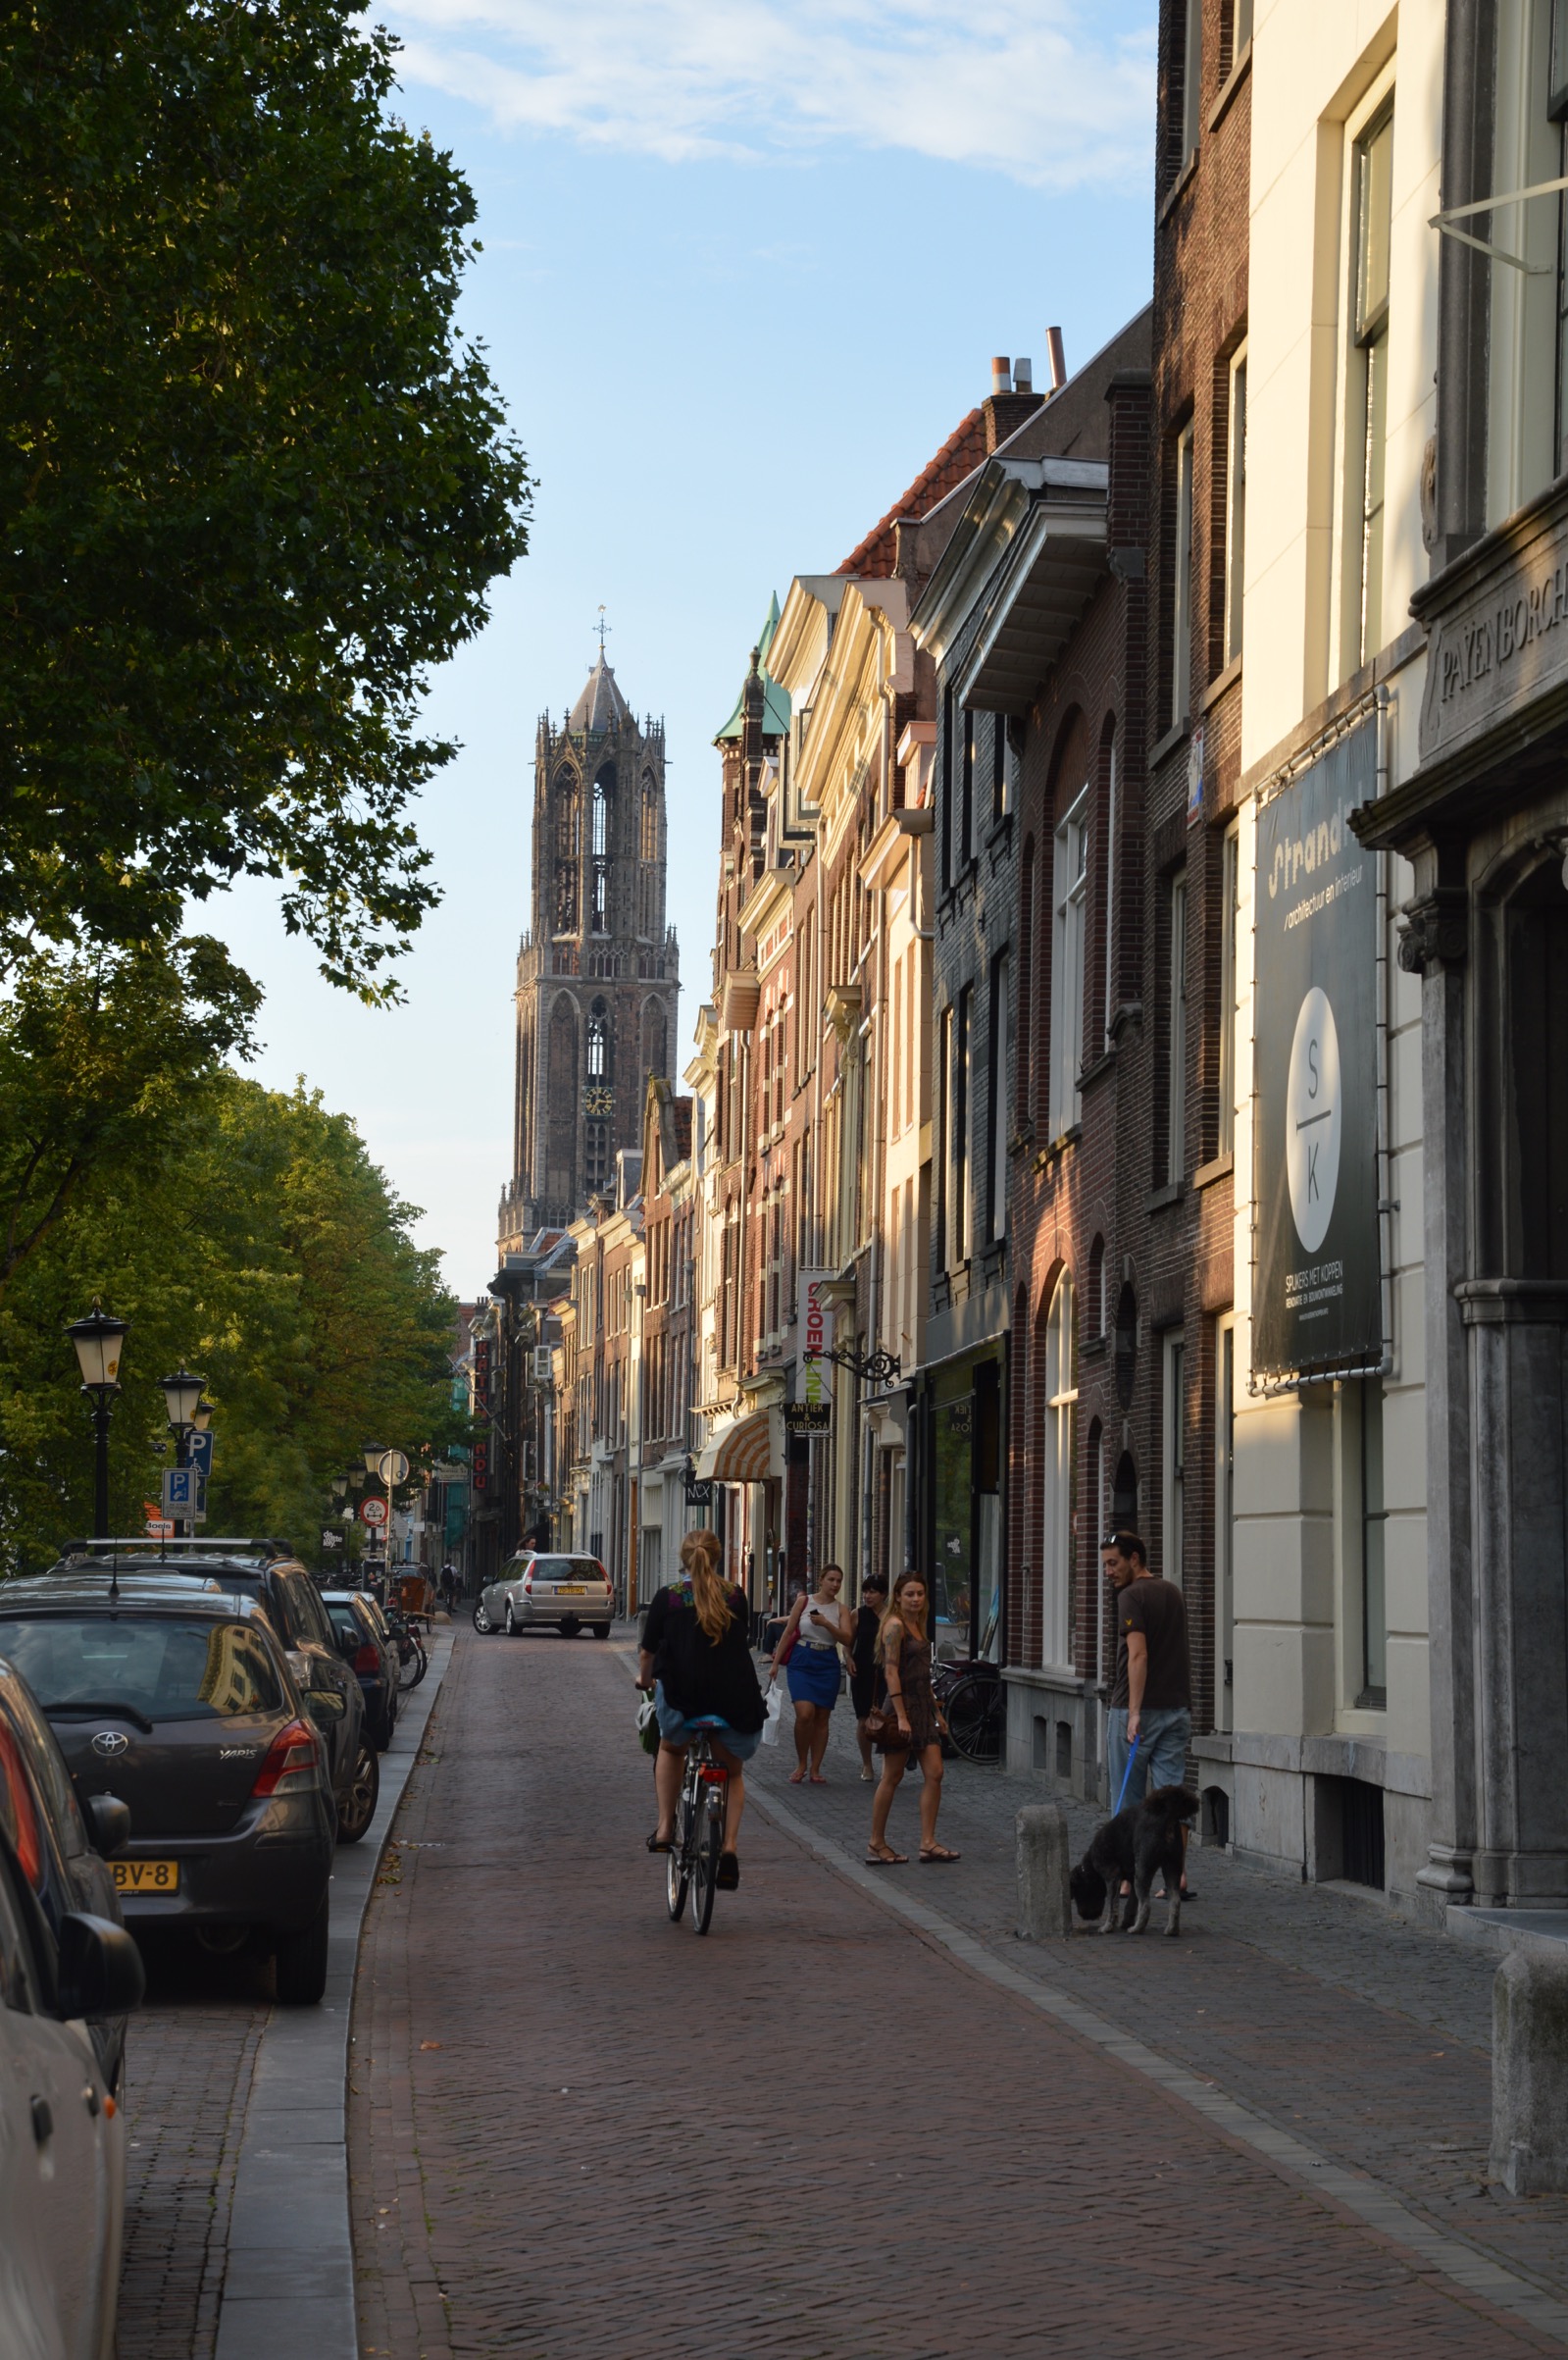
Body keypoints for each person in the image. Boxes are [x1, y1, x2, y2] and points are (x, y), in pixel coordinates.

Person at [638, 1528, 764, 1890]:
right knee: (732, 1774)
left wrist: (645, 1681)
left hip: (683, 1698)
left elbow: (647, 1654)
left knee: (669, 1748)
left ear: (683, 1558)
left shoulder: (668, 1598)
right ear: (718, 1556)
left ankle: (665, 1827)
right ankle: (729, 1847)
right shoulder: (735, 1596)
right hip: (732, 1699)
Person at [1101, 1528, 1193, 1898]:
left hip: (1134, 1712)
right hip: (1176, 1709)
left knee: (1129, 1800)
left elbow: (1138, 1655)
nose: (1108, 1571)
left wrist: (1134, 1713)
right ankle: (1178, 1877)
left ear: (1134, 1559)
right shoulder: (1172, 1592)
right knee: (1172, 1800)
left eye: (1113, 1563)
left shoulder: (1131, 1597)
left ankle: (1127, 1878)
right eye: (1105, 1565)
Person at [866, 1571, 959, 1866]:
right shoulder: (894, 1626)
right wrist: (902, 1717)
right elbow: (891, 1672)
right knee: (891, 1777)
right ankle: (876, 1843)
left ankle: (928, 1842)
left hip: (921, 1707)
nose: (916, 1599)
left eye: (920, 1594)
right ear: (897, 1597)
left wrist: (936, 1713)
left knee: (935, 1773)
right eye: (910, 1594)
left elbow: (922, 1675)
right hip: (900, 1709)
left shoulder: (917, 1625)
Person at [768, 1565, 854, 1785]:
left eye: (839, 1581)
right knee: (804, 1714)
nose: (835, 1585)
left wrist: (826, 1624)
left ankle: (815, 1768)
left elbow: (846, 1639)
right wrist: (775, 1663)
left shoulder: (841, 1609)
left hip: (827, 1662)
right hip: (802, 1659)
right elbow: (788, 1632)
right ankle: (801, 1762)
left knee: (822, 1717)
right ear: (821, 1580)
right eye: (831, 1579)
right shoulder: (804, 1602)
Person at [849, 1574, 889, 1780]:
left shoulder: (891, 1617)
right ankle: (867, 1765)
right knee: (863, 1717)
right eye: (865, 1591)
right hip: (862, 1671)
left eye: (872, 1591)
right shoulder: (857, 1614)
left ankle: (887, 1766)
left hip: (886, 1672)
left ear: (883, 1594)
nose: (867, 1596)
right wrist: (847, 1659)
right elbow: (848, 1642)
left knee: (885, 1717)